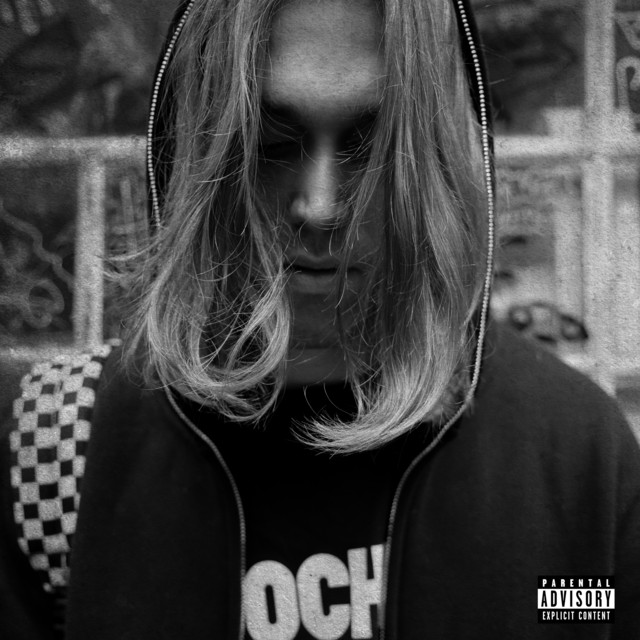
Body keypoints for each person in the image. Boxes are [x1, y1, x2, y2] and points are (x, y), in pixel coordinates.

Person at [1, 0, 639, 638]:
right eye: (272, 144)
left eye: (373, 148)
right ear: (189, 154)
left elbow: (582, 612)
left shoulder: (573, 457)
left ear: (443, 161)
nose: (321, 206)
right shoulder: (59, 446)